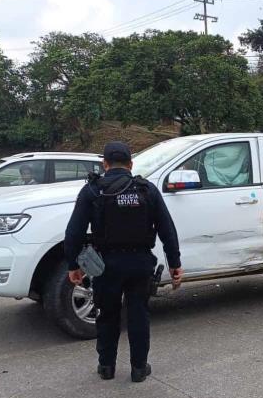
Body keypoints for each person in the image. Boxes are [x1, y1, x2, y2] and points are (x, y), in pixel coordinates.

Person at [64, 141, 182, 382]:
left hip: (106, 265)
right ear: (130, 164)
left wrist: (72, 265)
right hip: (140, 263)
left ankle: (106, 366)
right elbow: (167, 229)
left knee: (107, 314)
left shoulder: (92, 191)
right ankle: (139, 368)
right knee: (139, 314)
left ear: (104, 164)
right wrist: (174, 263)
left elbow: (73, 232)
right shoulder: (147, 189)